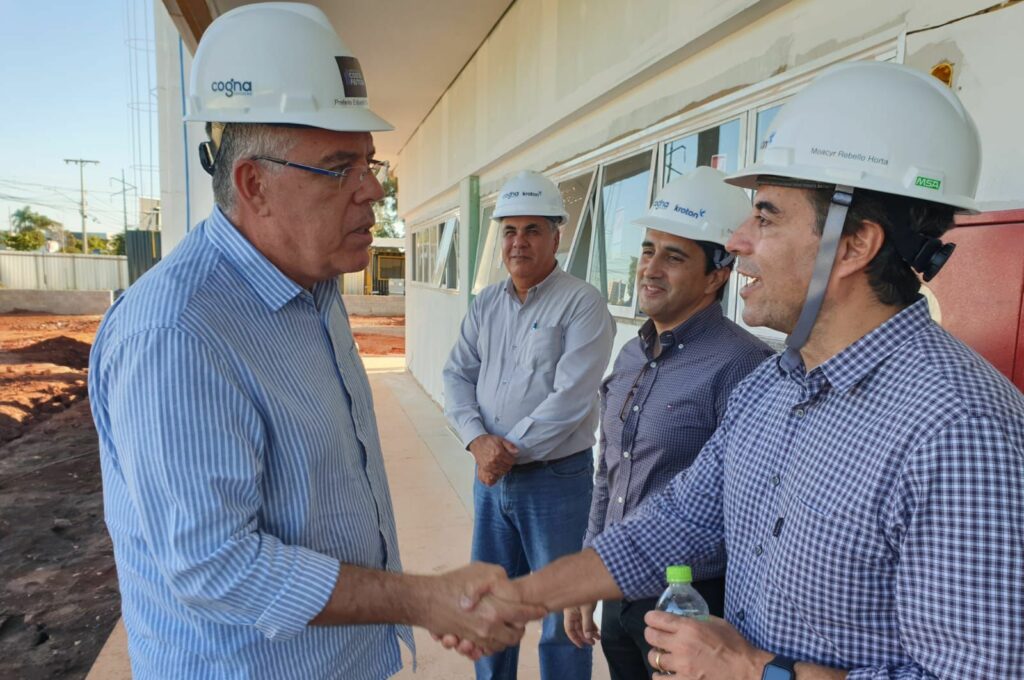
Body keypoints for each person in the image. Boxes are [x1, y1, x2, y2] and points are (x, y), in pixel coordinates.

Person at [451, 61, 1024, 679]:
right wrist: (525, 595)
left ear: (856, 244)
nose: (741, 239)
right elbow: (677, 523)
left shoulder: (963, 430)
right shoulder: (770, 388)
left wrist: (755, 671)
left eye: (768, 216)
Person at [88, 4, 540, 678]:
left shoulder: (314, 285)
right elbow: (218, 568)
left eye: (370, 162)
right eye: (340, 169)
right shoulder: (178, 334)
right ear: (254, 185)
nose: (374, 191)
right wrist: (421, 598)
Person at [564, 167, 774, 678]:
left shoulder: (743, 365)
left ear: (717, 274)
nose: (650, 269)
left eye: (674, 256)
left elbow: (750, 510)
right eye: (647, 250)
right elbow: (607, 474)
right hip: (619, 590)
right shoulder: (631, 357)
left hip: (695, 607)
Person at [443, 169, 616, 679]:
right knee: (491, 601)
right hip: (491, 481)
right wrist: (477, 441)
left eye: (533, 230)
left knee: (563, 614)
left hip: (555, 483)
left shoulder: (582, 303)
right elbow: (456, 374)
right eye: (510, 231)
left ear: (556, 236)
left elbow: (571, 398)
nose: (519, 242)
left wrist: (503, 451)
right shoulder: (487, 304)